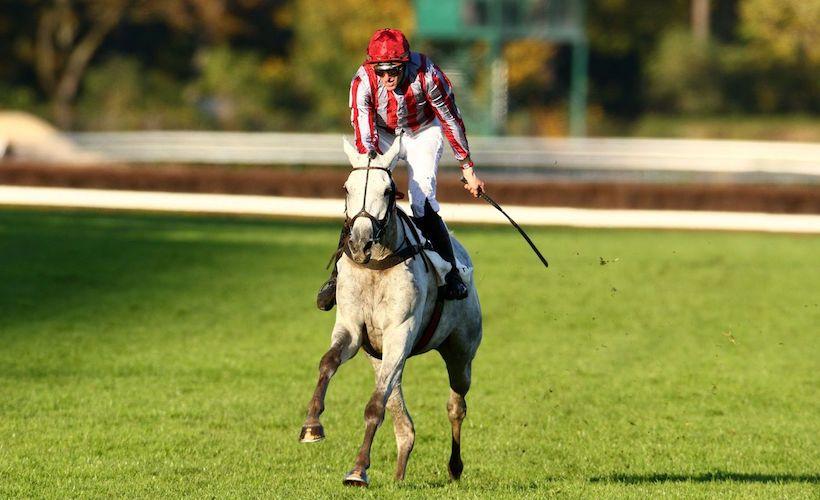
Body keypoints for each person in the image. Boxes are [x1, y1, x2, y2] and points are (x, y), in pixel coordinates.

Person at [316, 28, 486, 311]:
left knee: (421, 200)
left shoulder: (429, 75)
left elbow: (449, 119)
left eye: (393, 70)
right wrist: (371, 160)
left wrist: (466, 166)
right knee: (365, 193)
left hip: (422, 132)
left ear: (405, 63)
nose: (386, 78)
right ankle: (336, 278)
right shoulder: (362, 82)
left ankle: (451, 273)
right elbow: (363, 128)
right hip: (382, 134)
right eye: (380, 71)